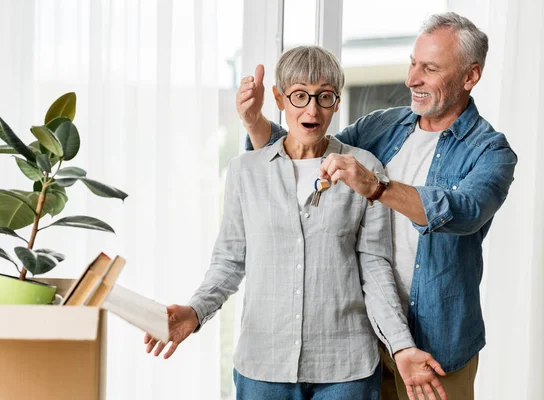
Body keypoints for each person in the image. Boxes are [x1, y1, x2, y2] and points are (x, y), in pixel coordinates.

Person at [237, 12, 517, 400]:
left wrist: (377, 187)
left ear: (470, 76)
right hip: (366, 344)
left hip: (439, 350)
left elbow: (462, 210)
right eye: (412, 64)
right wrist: (255, 124)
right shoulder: (380, 127)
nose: (411, 80)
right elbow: (307, 152)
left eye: (430, 69)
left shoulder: (491, 152)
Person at [144, 45, 447, 400]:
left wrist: (401, 346)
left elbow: (375, 268)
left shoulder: (365, 169)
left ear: (336, 102)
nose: (312, 109)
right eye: (300, 96)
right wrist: (196, 311)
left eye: (324, 97)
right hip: (263, 366)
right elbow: (229, 260)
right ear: (279, 98)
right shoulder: (246, 171)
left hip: (346, 369)